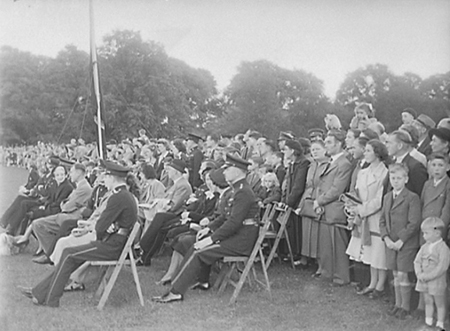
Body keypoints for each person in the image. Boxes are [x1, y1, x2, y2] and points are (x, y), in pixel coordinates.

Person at [19, 161, 138, 307]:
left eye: (106, 177)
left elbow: (100, 227)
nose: (103, 180)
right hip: (115, 242)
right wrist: (108, 228)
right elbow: (108, 225)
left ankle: (50, 298)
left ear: (112, 178)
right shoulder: (125, 195)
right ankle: (41, 293)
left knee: (69, 253)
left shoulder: (117, 197)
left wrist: (103, 232)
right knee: (69, 255)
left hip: (113, 246)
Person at [152, 154, 259, 303]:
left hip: (241, 241)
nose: (224, 172)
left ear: (238, 171)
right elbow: (224, 217)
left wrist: (211, 239)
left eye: (228, 168)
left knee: (199, 251)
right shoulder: (238, 189)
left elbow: (234, 223)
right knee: (195, 246)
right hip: (236, 236)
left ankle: (176, 291)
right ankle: (184, 285)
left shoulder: (243, 192)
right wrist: (209, 228)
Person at [23, 164, 93, 264]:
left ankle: (51, 255)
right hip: (65, 215)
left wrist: (64, 204)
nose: (70, 174)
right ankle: (52, 254)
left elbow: (66, 206)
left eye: (72, 172)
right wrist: (65, 204)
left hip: (70, 217)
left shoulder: (84, 188)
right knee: (36, 224)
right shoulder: (80, 186)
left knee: (38, 224)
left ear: (78, 173)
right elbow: (66, 203)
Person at [345, 140, 389, 298]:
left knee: (378, 252)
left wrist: (362, 209)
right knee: (369, 252)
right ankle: (372, 283)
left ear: (377, 153)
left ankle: (380, 285)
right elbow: (356, 192)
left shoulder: (385, 172)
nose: (365, 153)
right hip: (362, 215)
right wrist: (353, 207)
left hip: (375, 215)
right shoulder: (363, 172)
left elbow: (379, 199)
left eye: (369, 150)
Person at [379, 163, 421, 320]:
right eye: (392, 177)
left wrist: (400, 240)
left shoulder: (412, 197)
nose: (395, 181)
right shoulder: (387, 197)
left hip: (405, 244)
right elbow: (382, 220)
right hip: (390, 243)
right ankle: (397, 304)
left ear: (406, 179)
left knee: (403, 274)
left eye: (399, 178)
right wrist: (386, 238)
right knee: (395, 274)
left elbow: (414, 223)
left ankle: (405, 306)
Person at [138, 159, 192, 265]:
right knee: (158, 222)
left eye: (170, 170)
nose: (167, 172)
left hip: (177, 214)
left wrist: (161, 203)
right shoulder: (176, 184)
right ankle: (145, 254)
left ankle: (144, 245)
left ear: (176, 172)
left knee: (159, 218)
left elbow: (174, 205)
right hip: (167, 213)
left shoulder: (183, 185)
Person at [315, 130, 352, 285]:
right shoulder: (332, 161)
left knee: (337, 244)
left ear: (339, 144)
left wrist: (319, 201)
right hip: (325, 208)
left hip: (334, 208)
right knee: (326, 244)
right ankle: (327, 273)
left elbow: (337, 189)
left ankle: (341, 276)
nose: (326, 145)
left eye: (329, 142)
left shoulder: (344, 163)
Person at [298, 139, 329, 275]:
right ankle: (308, 259)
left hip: (319, 200)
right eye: (312, 150)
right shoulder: (311, 165)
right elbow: (307, 185)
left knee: (318, 234)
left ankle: (321, 265)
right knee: (307, 232)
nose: (314, 152)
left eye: (317, 149)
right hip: (308, 198)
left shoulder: (329, 165)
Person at [414, 217, 450, 331]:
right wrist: (419, 274)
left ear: (437, 233)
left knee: (439, 303)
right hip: (424, 280)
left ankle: (440, 324)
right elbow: (417, 261)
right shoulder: (424, 247)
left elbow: (442, 267)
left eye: (426, 233)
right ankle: (428, 321)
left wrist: (428, 276)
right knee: (428, 300)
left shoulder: (443, 248)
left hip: (437, 281)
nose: (424, 236)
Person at [281, 139, 310, 265]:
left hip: (298, 202)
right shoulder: (293, 163)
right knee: (292, 229)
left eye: (285, 149)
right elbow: (287, 185)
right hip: (291, 201)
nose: (283, 152)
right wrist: (284, 201)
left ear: (292, 150)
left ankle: (300, 256)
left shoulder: (303, 163)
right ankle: (293, 253)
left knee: (298, 230)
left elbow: (298, 186)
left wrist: (288, 202)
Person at [386, 130, 428, 196]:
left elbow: (421, 193)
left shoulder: (415, 166)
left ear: (400, 145)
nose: (387, 146)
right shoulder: (392, 163)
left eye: (389, 143)